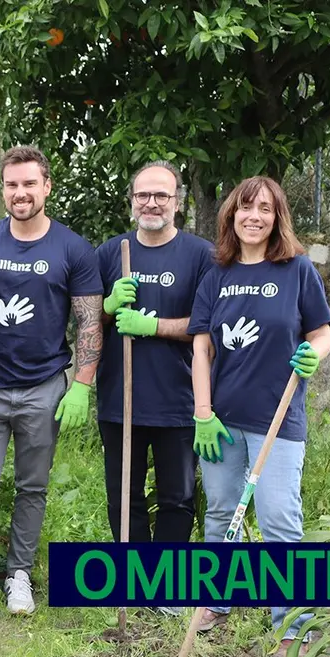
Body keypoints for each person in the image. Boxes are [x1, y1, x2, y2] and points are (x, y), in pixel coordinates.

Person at [0, 145, 103, 624]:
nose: (20, 192)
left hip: (44, 387)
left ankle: (18, 576)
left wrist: (82, 385)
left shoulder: (73, 248)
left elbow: (89, 323)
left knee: (33, 487)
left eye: (30, 184)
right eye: (12, 184)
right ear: (3, 189)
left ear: (47, 186)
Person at [188, 176, 330, 657]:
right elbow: (201, 348)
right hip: (221, 423)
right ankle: (216, 601)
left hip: (278, 419)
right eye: (245, 207)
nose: (254, 216)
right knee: (221, 515)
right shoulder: (217, 276)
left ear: (277, 217)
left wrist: (314, 354)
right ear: (231, 215)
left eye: (264, 209)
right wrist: (202, 413)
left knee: (278, 521)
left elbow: (321, 331)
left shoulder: (296, 270)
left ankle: (292, 628)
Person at [94, 161, 213, 615]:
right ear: (131, 202)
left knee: (176, 497)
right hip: (119, 400)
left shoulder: (200, 255)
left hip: (179, 398)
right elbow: (89, 320)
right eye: (143, 195)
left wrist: (153, 325)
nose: (151, 203)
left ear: (177, 202)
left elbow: (207, 326)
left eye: (161, 195)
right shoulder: (111, 252)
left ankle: (168, 588)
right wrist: (107, 307)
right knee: (123, 495)